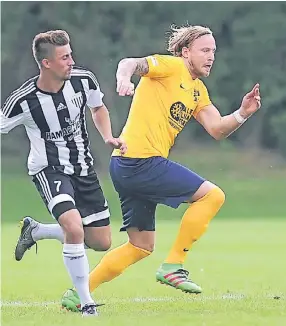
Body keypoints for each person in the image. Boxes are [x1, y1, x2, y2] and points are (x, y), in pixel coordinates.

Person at [61, 23, 261, 311]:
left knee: (140, 246)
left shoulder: (197, 91)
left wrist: (242, 113)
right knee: (212, 195)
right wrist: (124, 79)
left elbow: (217, 129)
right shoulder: (170, 67)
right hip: (140, 161)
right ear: (185, 51)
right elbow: (129, 63)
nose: (211, 56)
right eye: (204, 50)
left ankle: (79, 292)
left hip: (128, 165)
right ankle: (174, 266)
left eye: (213, 51)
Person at [1, 30, 126, 316]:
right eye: (64, 57)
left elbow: (98, 107)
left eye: (70, 55)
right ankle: (86, 303)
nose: (72, 61)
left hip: (84, 169)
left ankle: (37, 231)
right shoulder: (24, 100)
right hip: (49, 169)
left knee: (101, 242)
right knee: (72, 226)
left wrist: (107, 136)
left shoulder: (84, 81)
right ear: (46, 63)